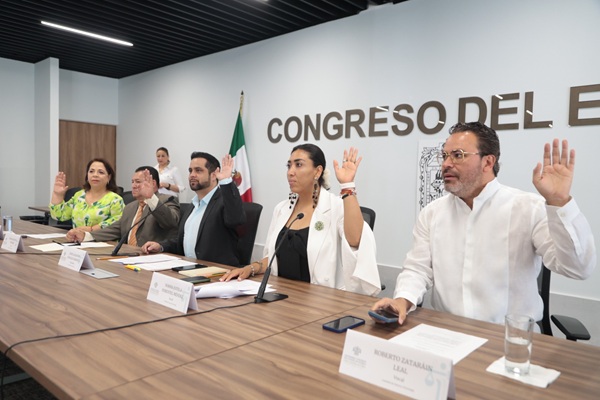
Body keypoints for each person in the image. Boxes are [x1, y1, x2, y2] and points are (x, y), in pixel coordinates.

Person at [372, 122, 596, 326]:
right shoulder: (432, 213)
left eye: (458, 155)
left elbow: (578, 268)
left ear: (488, 162)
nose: (446, 164)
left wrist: (559, 202)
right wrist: (402, 300)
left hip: (509, 338)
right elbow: (417, 269)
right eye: (445, 155)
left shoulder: (528, 208)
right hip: (446, 331)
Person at [221, 144, 381, 296]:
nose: (290, 172)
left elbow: (355, 241)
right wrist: (250, 269)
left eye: (298, 165)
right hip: (281, 296)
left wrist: (347, 186)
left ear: (317, 171)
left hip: (323, 301)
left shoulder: (337, 207)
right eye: (289, 165)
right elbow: (273, 258)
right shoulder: (281, 209)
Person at [141, 152, 246, 267]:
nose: (192, 175)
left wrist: (226, 182)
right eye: (190, 171)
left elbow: (236, 219)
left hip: (217, 272)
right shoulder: (193, 205)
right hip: (189, 268)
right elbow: (183, 242)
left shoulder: (223, 201)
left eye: (198, 170)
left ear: (213, 175)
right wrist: (161, 246)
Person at [65, 166, 180, 245]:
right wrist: (86, 236)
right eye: (132, 182)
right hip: (128, 257)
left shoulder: (167, 200)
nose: (133, 186)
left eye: (138, 182)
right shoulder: (130, 207)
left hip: (152, 259)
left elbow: (170, 222)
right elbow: (115, 229)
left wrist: (151, 198)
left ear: (153, 183)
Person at [50, 158, 124, 231]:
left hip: (102, 238)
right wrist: (57, 194)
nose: (95, 175)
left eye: (101, 172)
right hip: (77, 238)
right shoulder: (79, 196)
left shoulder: (115, 200)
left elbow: (118, 223)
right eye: (91, 171)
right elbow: (59, 215)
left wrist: (92, 229)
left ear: (109, 177)